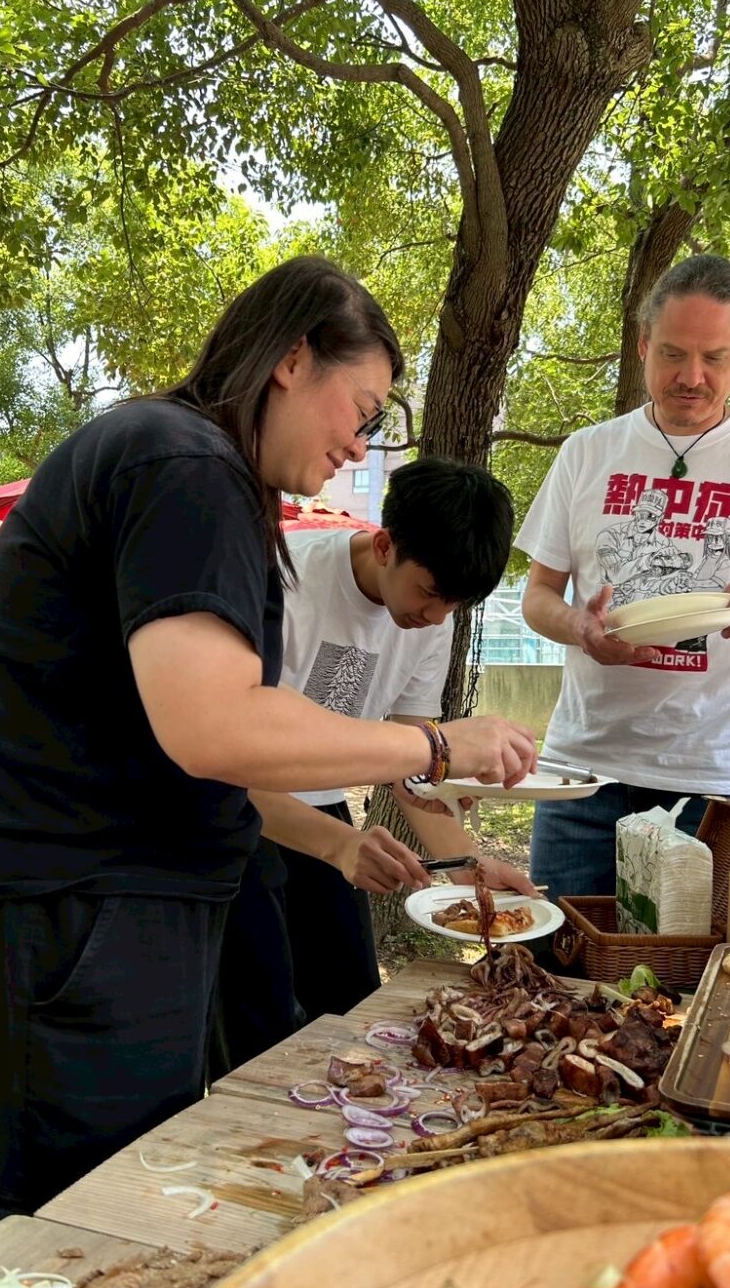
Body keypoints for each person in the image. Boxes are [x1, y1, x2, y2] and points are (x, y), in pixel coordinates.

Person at [0, 255, 536, 1260]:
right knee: (33, 1250)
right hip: (59, 922)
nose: (360, 444)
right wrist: (432, 743)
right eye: (362, 409)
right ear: (292, 359)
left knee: (109, 1237)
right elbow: (216, 727)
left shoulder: (210, 481)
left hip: (107, 921)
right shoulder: (184, 463)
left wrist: (414, 848)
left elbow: (206, 747)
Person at [517, 253, 730, 900]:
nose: (691, 377)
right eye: (673, 354)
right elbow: (538, 596)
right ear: (643, 343)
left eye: (715, 358)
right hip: (582, 771)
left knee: (697, 959)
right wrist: (579, 626)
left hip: (713, 782)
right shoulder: (586, 452)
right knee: (555, 952)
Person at [215, 457, 536, 1070]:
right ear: (385, 545)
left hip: (324, 810)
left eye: (455, 605)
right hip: (234, 817)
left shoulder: (433, 617)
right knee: (259, 1032)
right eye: (430, 595)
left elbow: (414, 762)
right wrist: (340, 845)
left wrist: (470, 867)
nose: (435, 618)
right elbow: (232, 761)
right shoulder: (281, 578)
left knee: (351, 1005)